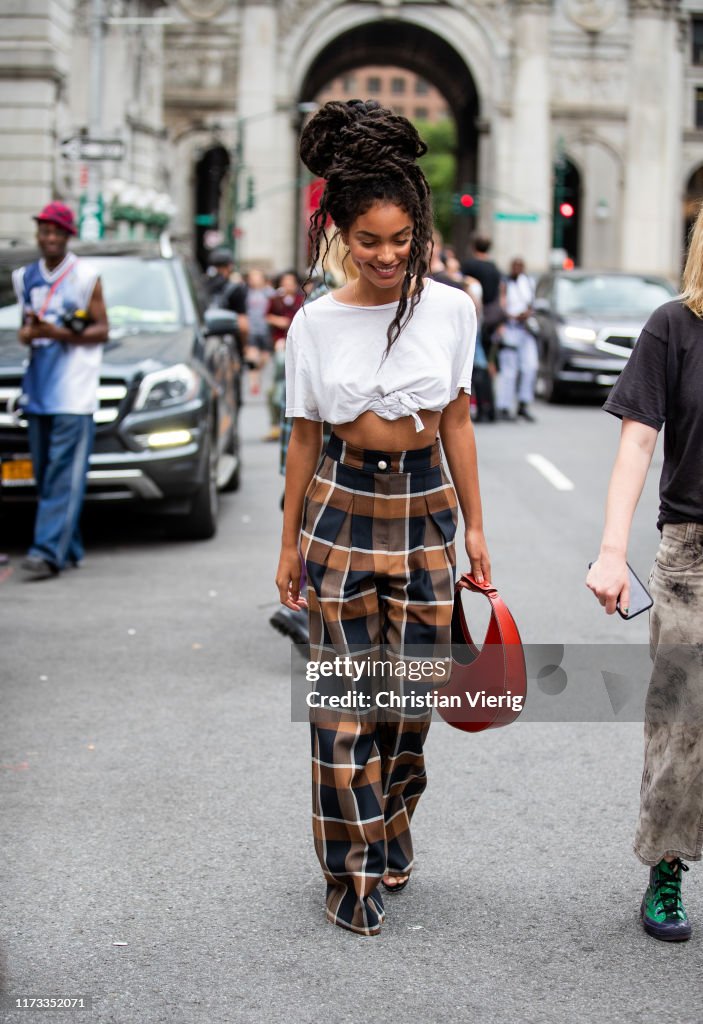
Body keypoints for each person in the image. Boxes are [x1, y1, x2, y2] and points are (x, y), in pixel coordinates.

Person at [274, 99, 490, 936]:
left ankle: (392, 820)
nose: (388, 255)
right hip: (338, 511)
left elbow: (460, 421)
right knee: (342, 703)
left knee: (409, 704)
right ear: (338, 234)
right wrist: (287, 540)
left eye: (402, 239)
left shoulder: (451, 309)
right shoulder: (315, 323)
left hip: (427, 507)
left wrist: (475, 527)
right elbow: (300, 438)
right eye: (369, 240)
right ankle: (350, 869)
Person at [586, 204, 703, 943]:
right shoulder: (674, 326)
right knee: (681, 726)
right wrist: (608, 550)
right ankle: (665, 866)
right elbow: (635, 445)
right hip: (692, 557)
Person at [13, 201, 109, 579]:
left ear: (68, 236)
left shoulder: (86, 276)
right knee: (45, 473)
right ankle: (69, 547)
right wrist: (30, 332)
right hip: (37, 389)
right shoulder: (25, 277)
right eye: (44, 231)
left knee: (62, 475)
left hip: (73, 391)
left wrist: (61, 333)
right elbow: (25, 328)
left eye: (56, 231)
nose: (49, 238)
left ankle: (46, 552)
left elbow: (102, 329)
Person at [495, 257, 538, 422]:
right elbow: (502, 303)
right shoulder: (505, 282)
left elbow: (531, 303)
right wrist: (510, 316)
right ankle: (504, 406)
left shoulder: (528, 282)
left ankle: (524, 403)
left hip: (525, 329)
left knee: (530, 367)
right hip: (510, 328)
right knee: (509, 370)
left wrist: (526, 314)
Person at [264, 271, 304, 443]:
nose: (288, 285)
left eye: (291, 281)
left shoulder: (301, 299)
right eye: (285, 281)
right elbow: (267, 317)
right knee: (279, 384)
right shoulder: (275, 300)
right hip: (281, 344)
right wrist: (278, 323)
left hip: (298, 346)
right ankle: (275, 424)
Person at [244, 268, 274, 397]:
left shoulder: (270, 293)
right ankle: (253, 383)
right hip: (252, 330)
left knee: (264, 358)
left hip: (266, 330)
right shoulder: (246, 293)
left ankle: (257, 372)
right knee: (251, 357)